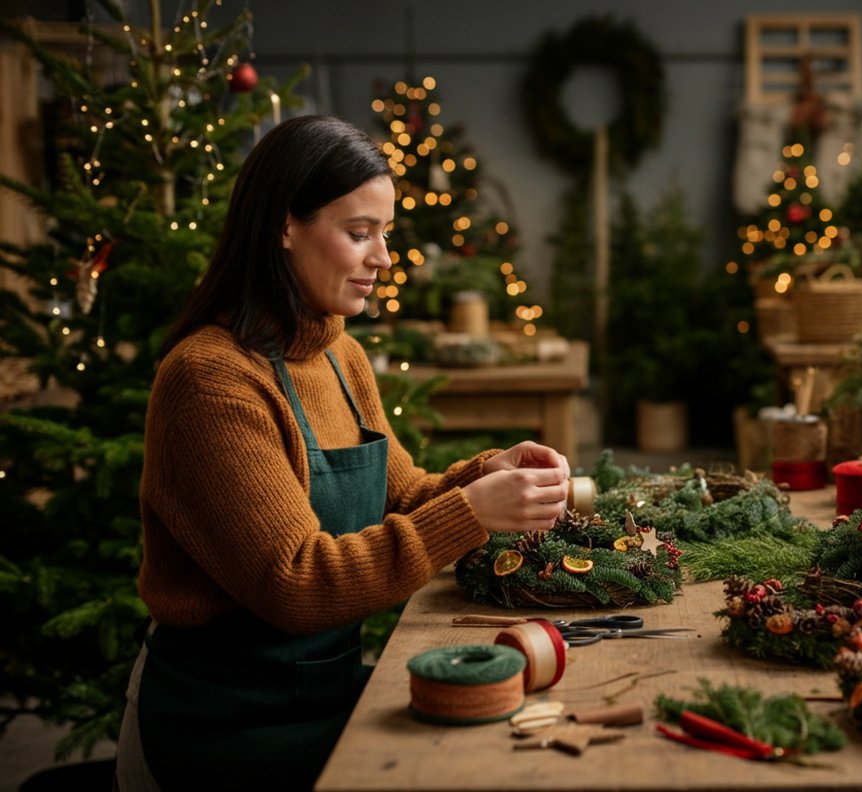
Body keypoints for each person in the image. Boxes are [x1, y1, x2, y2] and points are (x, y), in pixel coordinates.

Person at [114, 115, 571, 790]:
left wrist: (488, 473)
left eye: (384, 233)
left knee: (512, 729)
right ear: (285, 226)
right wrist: (472, 512)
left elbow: (403, 496)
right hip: (228, 724)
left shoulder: (339, 355)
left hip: (317, 689)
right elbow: (297, 584)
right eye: (359, 233)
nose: (382, 257)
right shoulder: (210, 381)